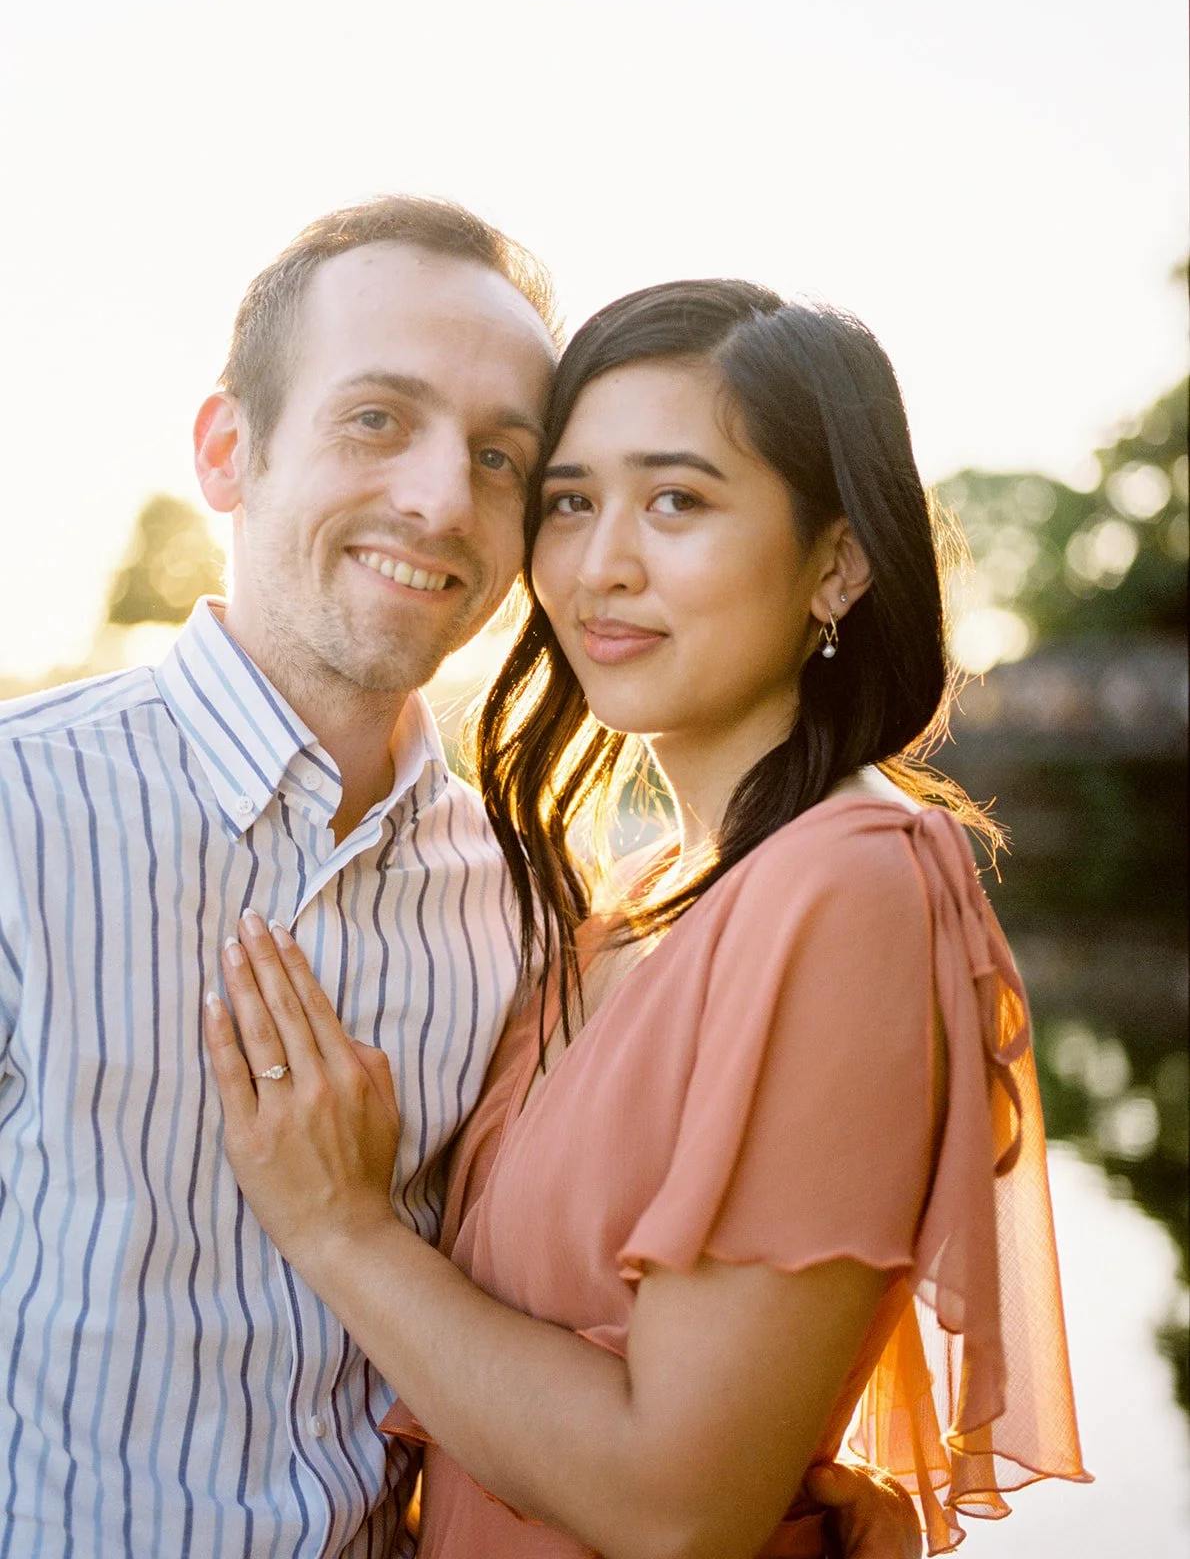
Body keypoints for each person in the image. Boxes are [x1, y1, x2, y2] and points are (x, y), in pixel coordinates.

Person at [0, 205, 914, 1557]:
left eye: (501, 458)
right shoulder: (22, 817)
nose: (440, 499)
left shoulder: (531, 895)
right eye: (378, 418)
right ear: (227, 450)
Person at [204, 280, 1090, 1558]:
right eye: (568, 501)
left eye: (676, 499)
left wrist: (339, 1229)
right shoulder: (618, 907)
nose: (598, 563)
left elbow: (673, 1505)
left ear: (834, 561)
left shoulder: (850, 883)